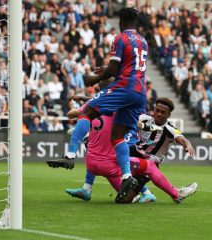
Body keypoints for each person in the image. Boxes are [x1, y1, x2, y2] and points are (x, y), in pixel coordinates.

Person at [48, 8, 149, 204]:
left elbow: (113, 68)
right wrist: (110, 71)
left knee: (87, 111)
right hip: (140, 93)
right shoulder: (143, 41)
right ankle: (127, 177)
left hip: (125, 88)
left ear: (121, 22)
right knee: (117, 136)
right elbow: (128, 66)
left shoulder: (120, 38)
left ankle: (69, 155)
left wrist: (96, 78)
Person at [63, 98, 197, 204]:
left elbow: (182, 138)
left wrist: (188, 145)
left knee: (124, 199)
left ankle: (151, 194)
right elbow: (120, 110)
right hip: (135, 153)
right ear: (153, 110)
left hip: (150, 162)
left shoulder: (170, 129)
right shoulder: (144, 118)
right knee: (109, 158)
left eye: (163, 112)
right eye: (157, 110)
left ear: (169, 115)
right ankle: (88, 186)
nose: (159, 114)